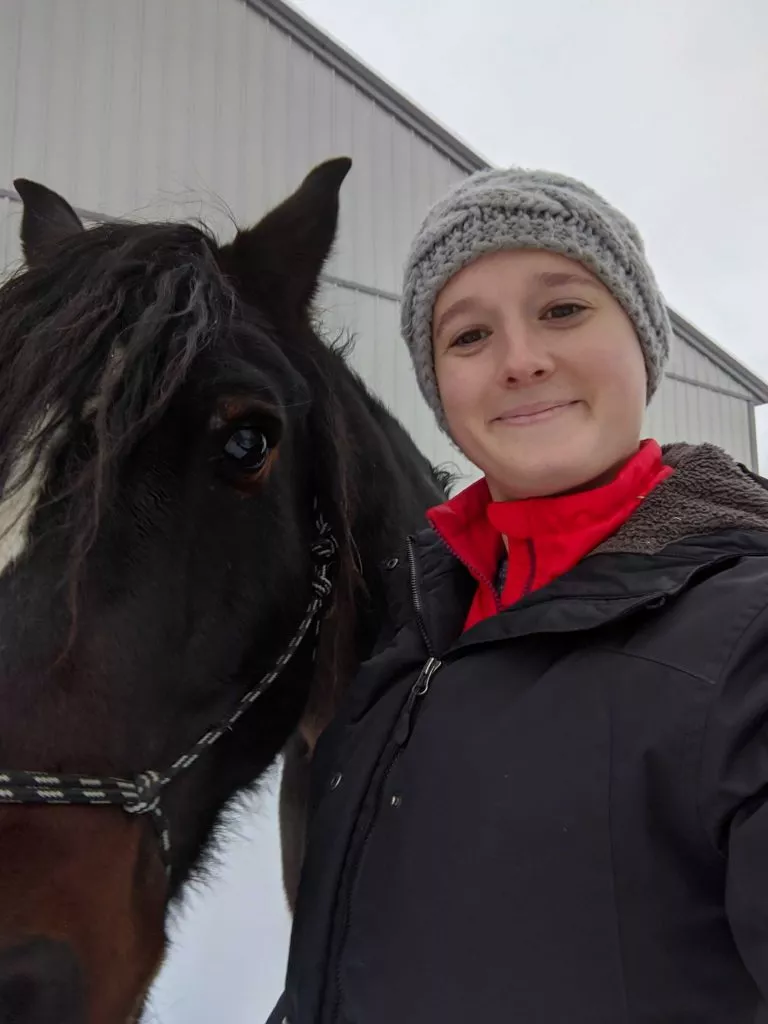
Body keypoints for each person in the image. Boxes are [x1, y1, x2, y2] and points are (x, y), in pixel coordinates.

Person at [267, 168, 768, 1023]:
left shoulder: (749, 636)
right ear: (439, 388)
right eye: (468, 337)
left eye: (563, 310)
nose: (521, 360)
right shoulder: (407, 644)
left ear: (642, 342)